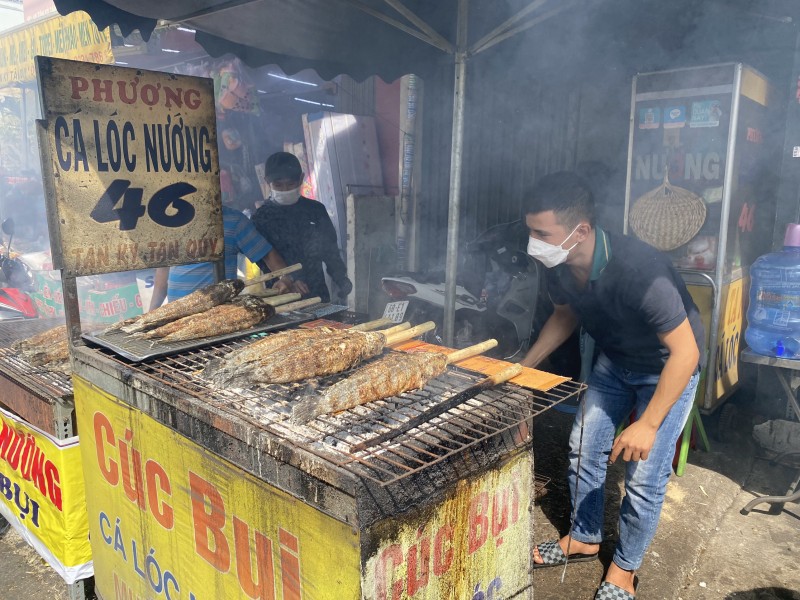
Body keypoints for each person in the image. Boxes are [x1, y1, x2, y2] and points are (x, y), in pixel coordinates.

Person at [522, 172, 704, 599]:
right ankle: (585, 536)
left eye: (541, 233)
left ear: (580, 231)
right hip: (614, 362)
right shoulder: (560, 265)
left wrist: (648, 423)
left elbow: (687, 353)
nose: (533, 242)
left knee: (644, 476)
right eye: (530, 231)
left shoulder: (641, 271)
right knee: (583, 445)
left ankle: (624, 569)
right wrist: (521, 369)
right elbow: (565, 316)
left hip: (665, 369)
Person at [148, 202, 293, 309]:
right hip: (176, 313)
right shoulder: (171, 221)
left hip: (217, 313)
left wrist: (285, 278)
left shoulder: (233, 221)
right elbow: (163, 271)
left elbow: (268, 255)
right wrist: (152, 312)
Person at [252, 152, 352, 304]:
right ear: (267, 182)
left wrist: (341, 278)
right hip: (281, 295)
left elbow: (330, 250)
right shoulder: (261, 218)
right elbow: (264, 259)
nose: (285, 189)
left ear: (301, 179)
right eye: (278, 185)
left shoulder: (315, 210)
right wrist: (289, 279)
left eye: (290, 184)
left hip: (317, 294)